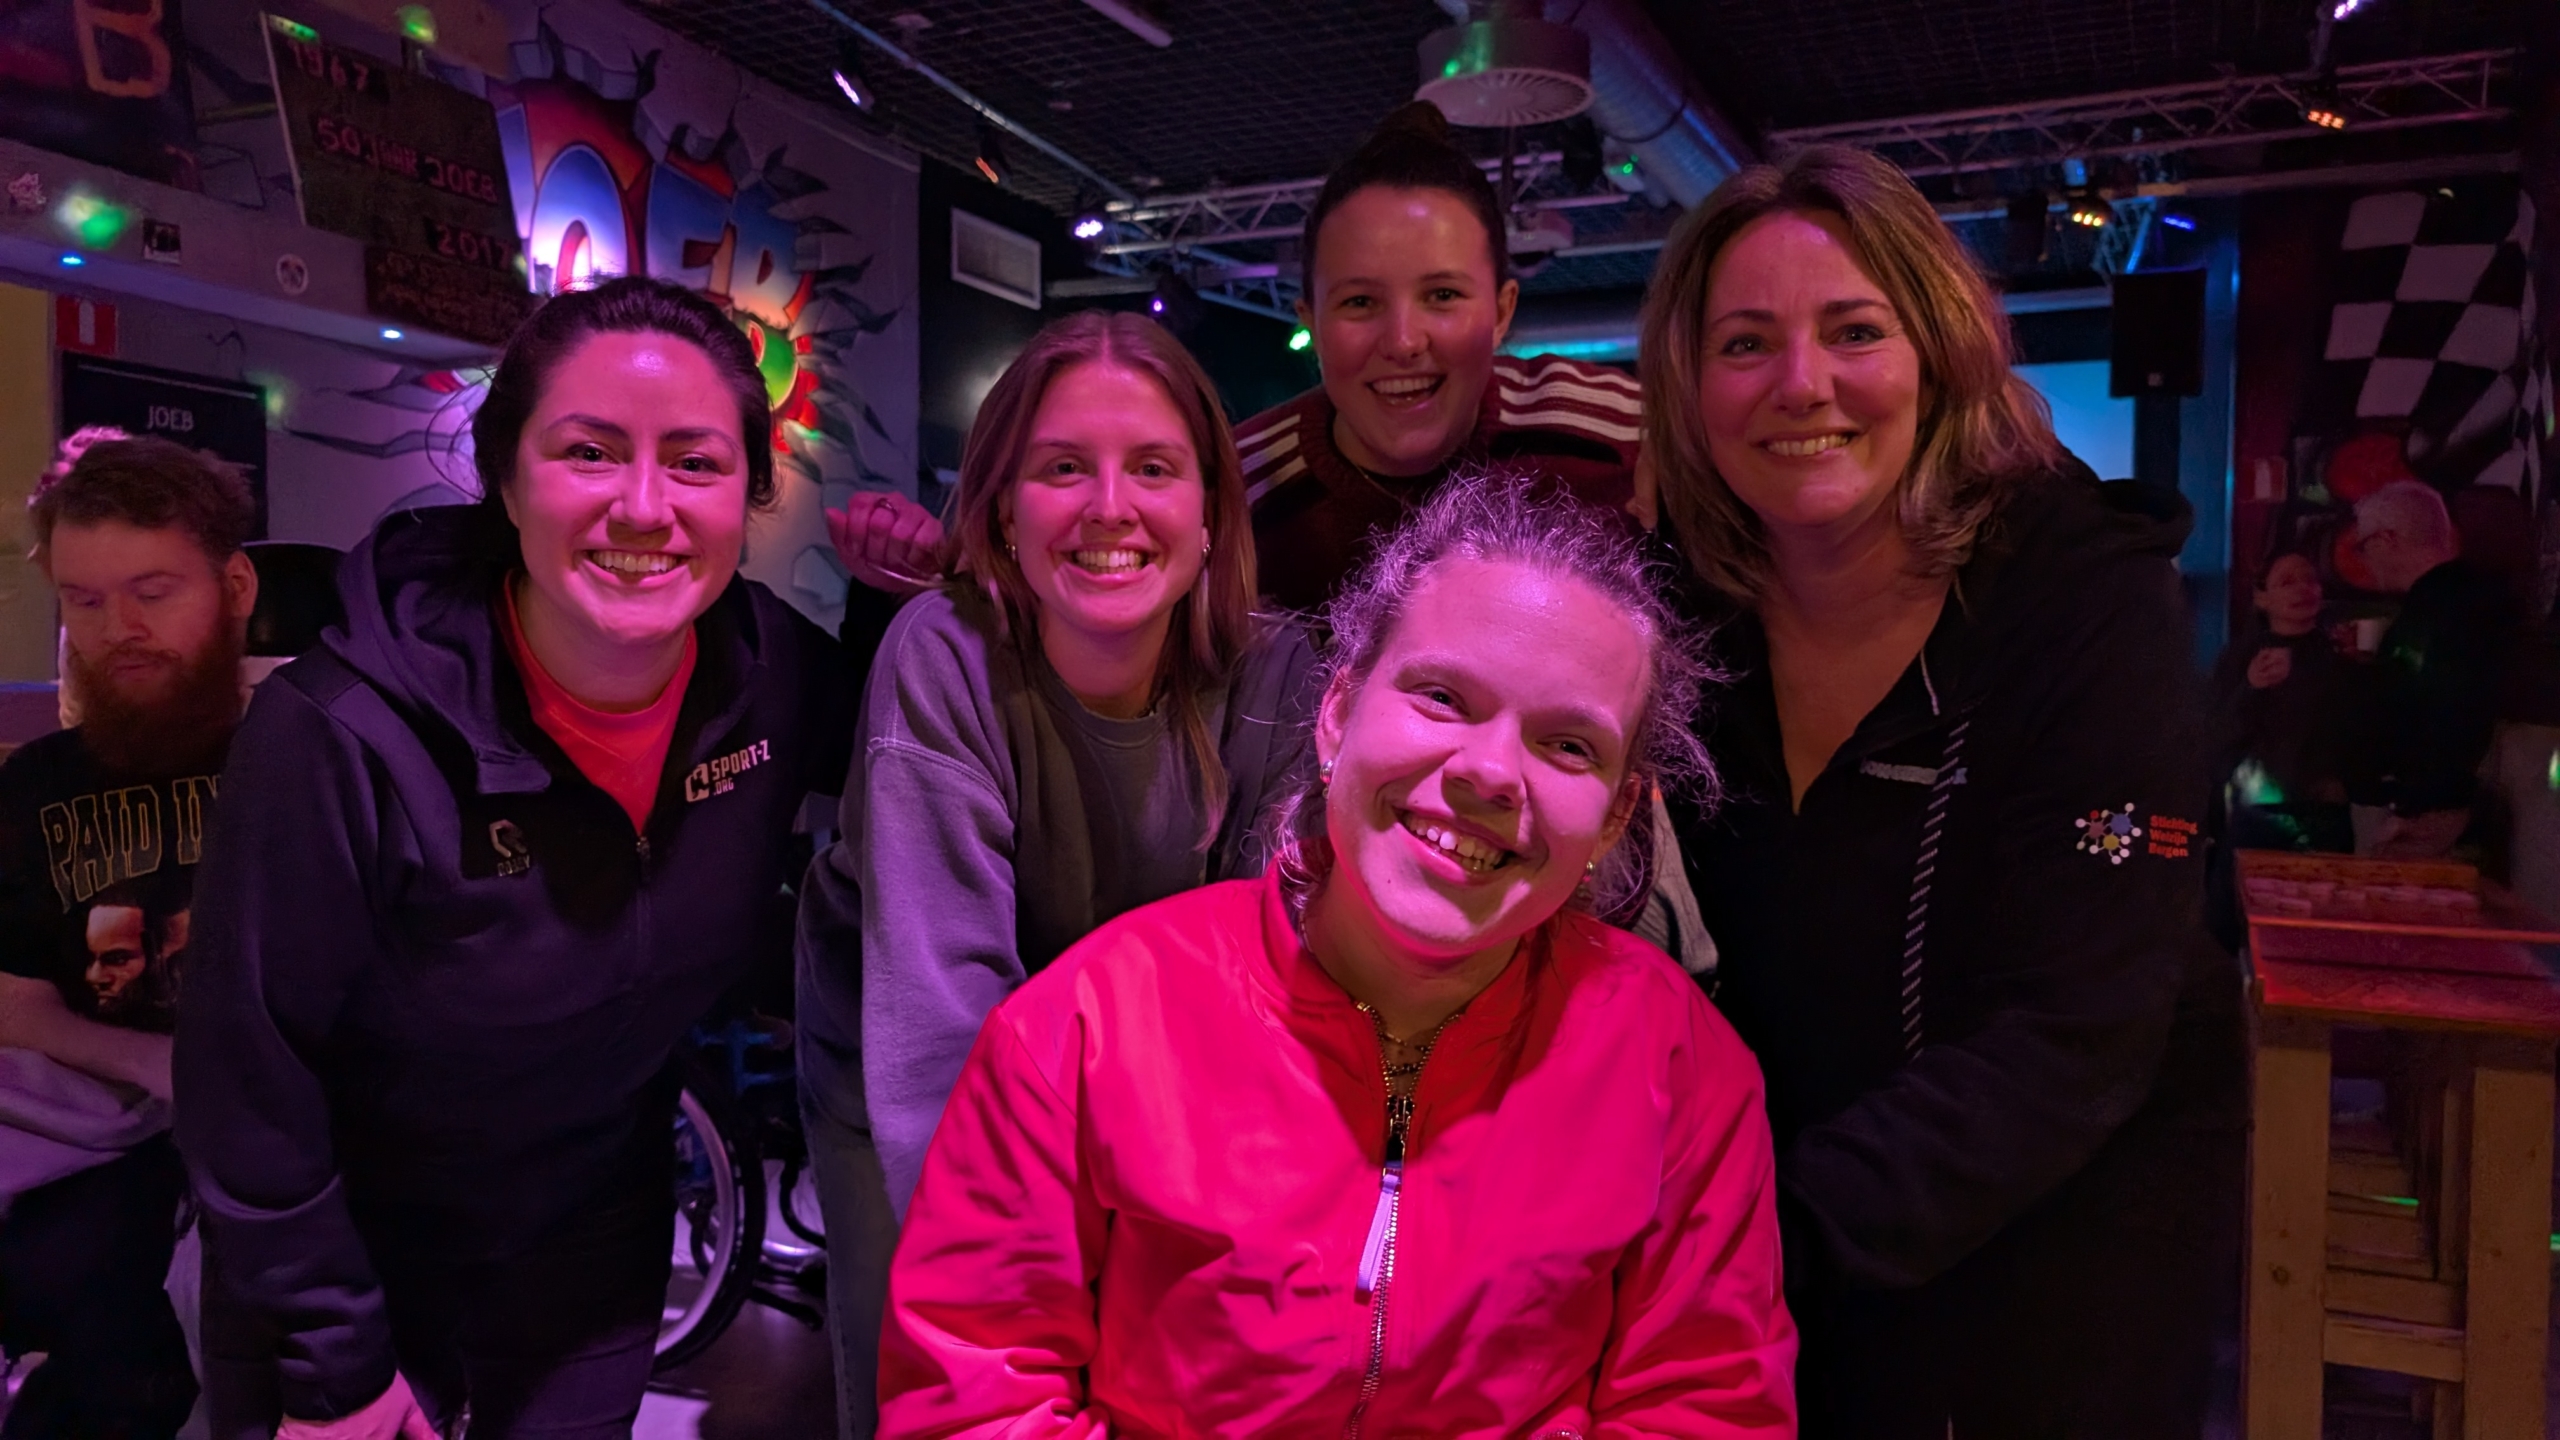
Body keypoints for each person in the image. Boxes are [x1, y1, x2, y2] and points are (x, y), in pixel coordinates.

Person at [878, 472, 1795, 1434]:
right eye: (1442, 697)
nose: (1489, 771)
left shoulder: (1679, 1068)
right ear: (1336, 714)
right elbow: (974, 1395)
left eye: (1568, 746)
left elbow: (1705, 1404)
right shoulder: (1086, 1028)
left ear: (1615, 817)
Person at [174, 276, 855, 1439]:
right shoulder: (339, 730)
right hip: (345, 1260)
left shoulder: (773, 675)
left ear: (751, 496)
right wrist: (336, 1366)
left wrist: (914, 599)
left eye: (695, 464)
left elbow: (932, 753)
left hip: (590, 1237)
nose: (644, 508)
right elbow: (249, 1081)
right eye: (589, 452)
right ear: (504, 475)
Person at [1642, 145, 2246, 1437]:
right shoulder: (1672, 617)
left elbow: (2078, 1030)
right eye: (1745, 344)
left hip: (2052, 1259)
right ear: (1690, 392)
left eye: (1853, 329)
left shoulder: (2083, 592)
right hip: (1767, 1274)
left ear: (1940, 351)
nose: (1801, 383)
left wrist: (1748, 1244)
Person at [794, 310, 1319, 1440]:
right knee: (934, 1370)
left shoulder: (1275, 670)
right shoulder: (943, 654)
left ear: (1213, 510)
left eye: (1153, 469)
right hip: (901, 1055)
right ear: (999, 510)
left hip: (1138, 1076)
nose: (1110, 508)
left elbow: (1263, 989)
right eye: (1062, 468)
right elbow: (940, 1021)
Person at [0, 433, 259, 1438]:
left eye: (153, 589)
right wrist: (161, 1066)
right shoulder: (32, 790)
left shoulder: (317, 760)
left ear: (233, 586)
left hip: (290, 1156)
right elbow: (14, 1001)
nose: (121, 629)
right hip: (98, 1168)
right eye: (86, 600)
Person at [1240, 101, 1648, 614]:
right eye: (1360, 302)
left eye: (1442, 296)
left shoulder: (1625, 437)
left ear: (1502, 312)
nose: (1404, 341)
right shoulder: (1237, 493)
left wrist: (1684, 453)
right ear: (1311, 323)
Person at [2345, 479, 2515, 858]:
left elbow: (2447, 710)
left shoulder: (2438, 614)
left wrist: (2423, 803)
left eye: (2363, 545)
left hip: (2426, 816)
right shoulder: (2459, 602)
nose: (2364, 561)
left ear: (2388, 539)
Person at [2210, 549, 2352, 855]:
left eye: (2310, 580)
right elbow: (2215, 730)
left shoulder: (2338, 656)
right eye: (2287, 582)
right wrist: (2251, 687)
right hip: (2259, 808)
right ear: (2262, 598)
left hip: (2324, 811)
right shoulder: (2241, 658)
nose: (2303, 589)